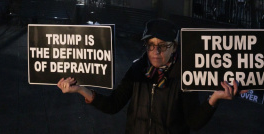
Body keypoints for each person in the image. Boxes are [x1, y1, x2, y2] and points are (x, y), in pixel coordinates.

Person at [57, 19, 246, 133]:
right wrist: (80, 89)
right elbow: (113, 105)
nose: (156, 51)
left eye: (163, 45)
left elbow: (194, 122)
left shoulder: (185, 74)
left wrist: (214, 98)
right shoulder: (138, 69)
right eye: (150, 45)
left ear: (175, 47)